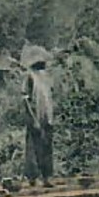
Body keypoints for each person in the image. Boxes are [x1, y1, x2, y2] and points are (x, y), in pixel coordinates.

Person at [21, 45, 55, 186]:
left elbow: (48, 99)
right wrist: (33, 119)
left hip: (46, 117)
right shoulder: (30, 77)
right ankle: (32, 178)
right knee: (33, 148)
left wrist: (50, 117)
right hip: (35, 117)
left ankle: (47, 176)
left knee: (46, 146)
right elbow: (26, 100)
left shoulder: (45, 78)